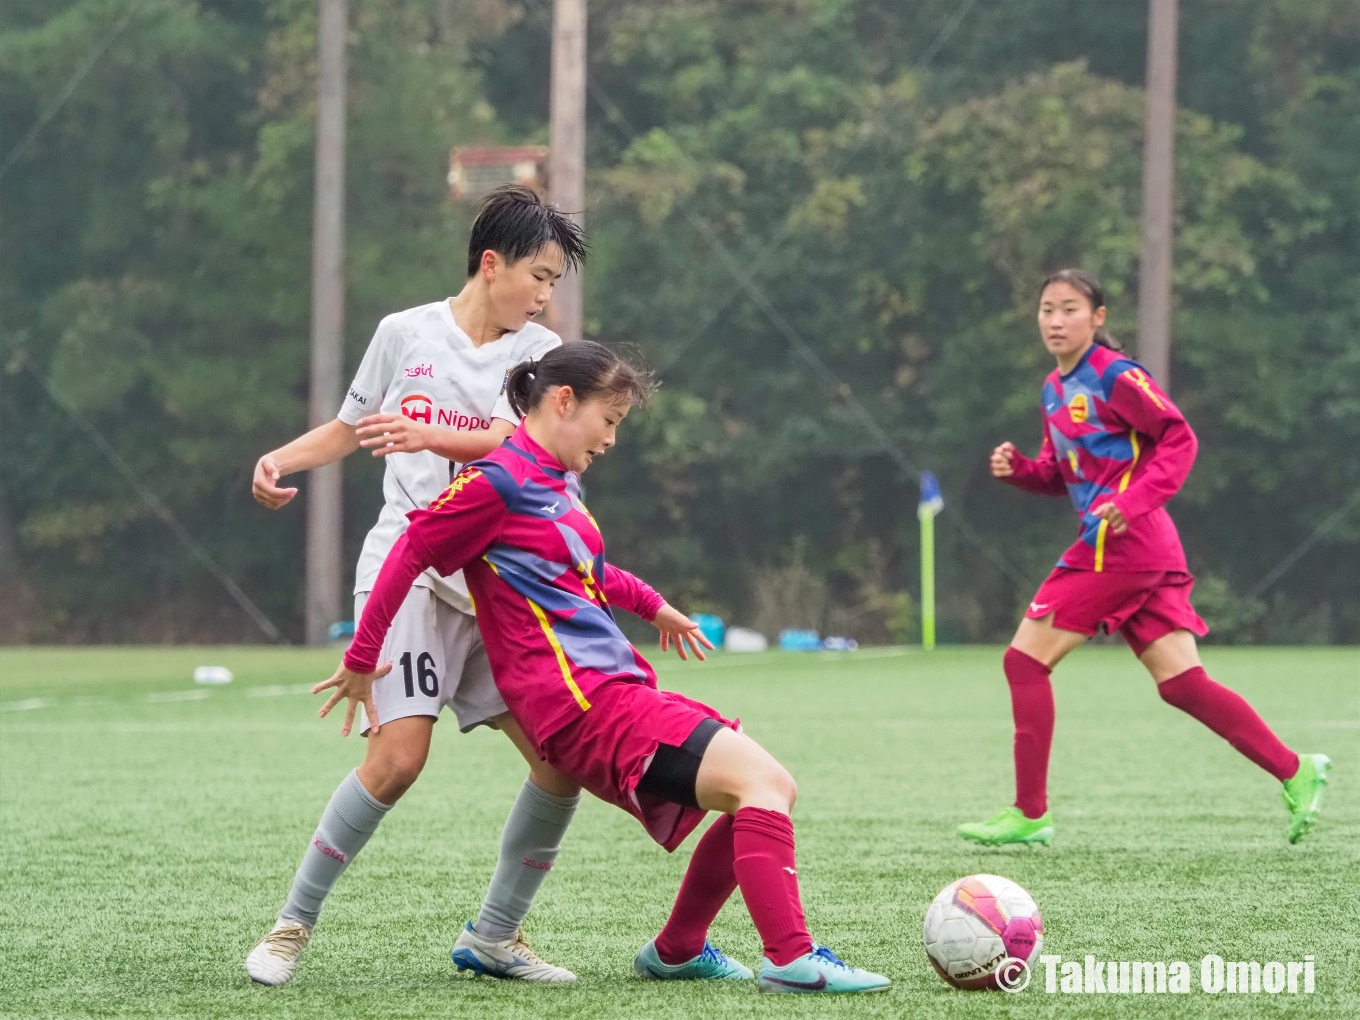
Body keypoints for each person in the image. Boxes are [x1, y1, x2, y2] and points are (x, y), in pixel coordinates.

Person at [315, 341, 892, 994]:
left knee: (767, 789)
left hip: (611, 692)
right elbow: (410, 549)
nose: (612, 439)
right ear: (565, 401)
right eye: (609, 420)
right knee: (762, 785)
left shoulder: (552, 480)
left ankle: (678, 950)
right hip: (584, 707)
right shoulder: (496, 480)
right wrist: (361, 658)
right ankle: (791, 959)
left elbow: (586, 570)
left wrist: (655, 606)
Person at [245, 185, 590, 986]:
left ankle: (495, 936)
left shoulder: (539, 351)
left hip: (495, 586)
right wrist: (278, 460)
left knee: (559, 761)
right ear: (491, 263)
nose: (545, 295)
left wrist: (430, 432)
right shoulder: (404, 333)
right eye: (539, 276)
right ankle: (291, 925)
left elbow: (512, 441)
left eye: (553, 282)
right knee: (399, 759)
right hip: (408, 571)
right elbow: (350, 427)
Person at [957, 268, 1330, 848]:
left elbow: (1180, 438)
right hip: (1134, 546)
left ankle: (1030, 813)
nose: (1056, 321)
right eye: (1048, 309)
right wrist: (1021, 471)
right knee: (1182, 683)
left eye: (1070, 309)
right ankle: (1296, 769)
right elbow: (1063, 474)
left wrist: (1131, 503)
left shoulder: (1117, 375)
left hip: (1123, 545)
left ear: (1098, 317)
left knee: (1024, 662)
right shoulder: (1053, 390)